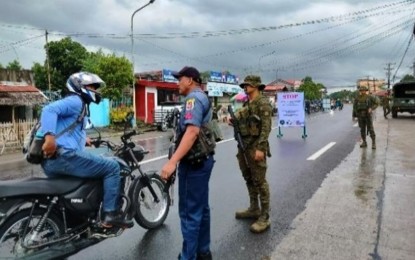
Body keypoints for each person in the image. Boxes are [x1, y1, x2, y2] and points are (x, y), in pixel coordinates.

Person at [40, 72, 133, 228]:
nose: (95, 90)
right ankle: (110, 213)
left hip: (55, 160)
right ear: (79, 86)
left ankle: (79, 217)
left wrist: (85, 140)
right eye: (92, 86)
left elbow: (70, 129)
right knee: (112, 167)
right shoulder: (76, 101)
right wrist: (49, 138)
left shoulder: (81, 105)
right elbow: (48, 110)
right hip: (64, 157)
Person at [160, 66, 215, 260]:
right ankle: (203, 251)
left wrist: (172, 162)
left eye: (180, 79)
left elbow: (192, 132)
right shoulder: (203, 97)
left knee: (189, 212)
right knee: (201, 209)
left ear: (190, 80)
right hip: (204, 160)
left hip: (194, 163)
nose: (177, 83)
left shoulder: (193, 99)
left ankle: (188, 257)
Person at [230, 75, 272, 233]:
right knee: (248, 176)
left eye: (247, 85)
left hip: (256, 147)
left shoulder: (263, 103)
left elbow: (266, 127)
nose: (244, 87)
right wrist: (234, 119)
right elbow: (243, 115)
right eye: (244, 85)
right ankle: (254, 208)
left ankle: (265, 216)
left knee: (260, 181)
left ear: (255, 85)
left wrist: (261, 148)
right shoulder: (249, 102)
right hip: (244, 146)